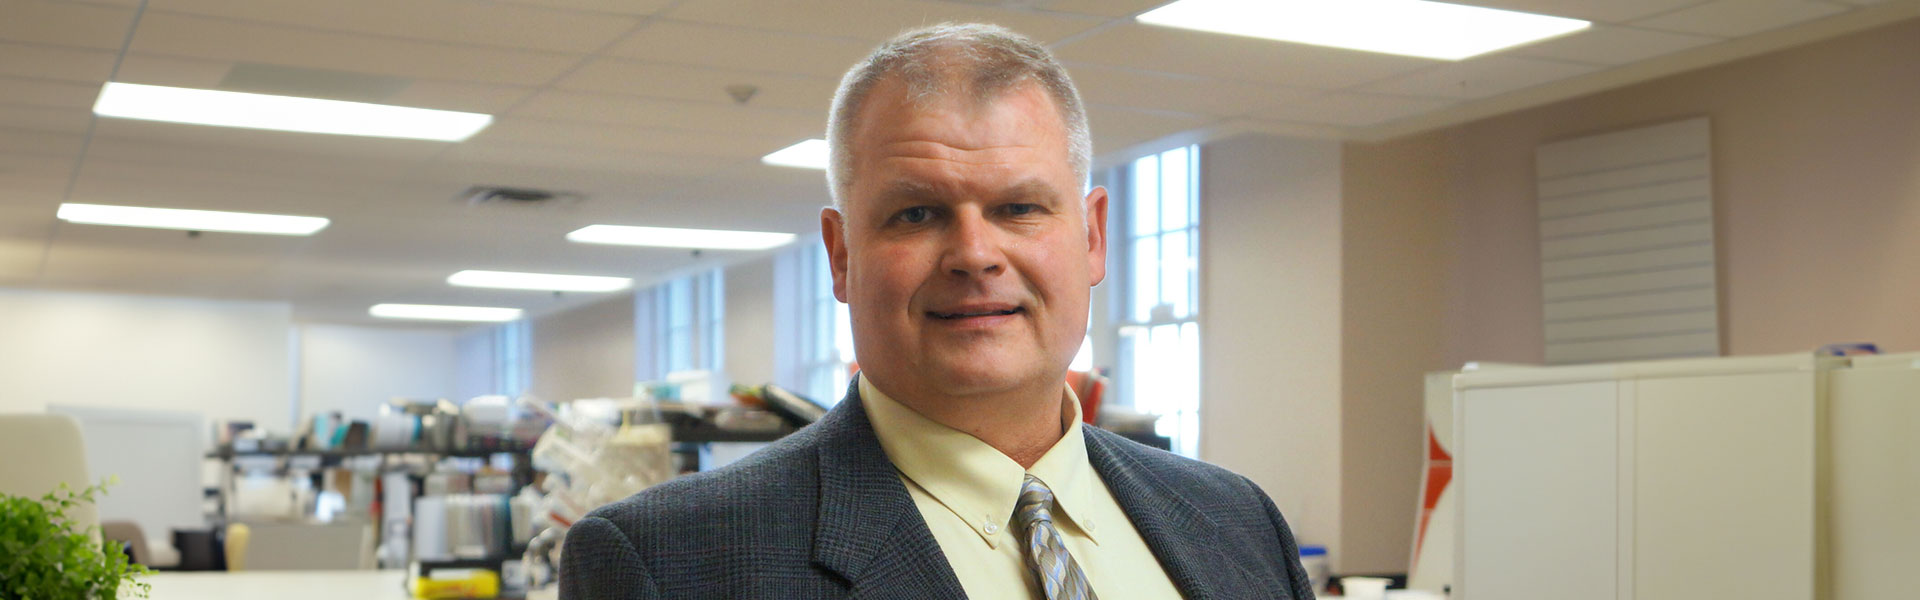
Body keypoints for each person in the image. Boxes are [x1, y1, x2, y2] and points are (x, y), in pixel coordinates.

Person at [560, 22, 1315, 600]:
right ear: (841, 255)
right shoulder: (669, 562)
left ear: (1091, 237)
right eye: (917, 214)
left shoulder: (1238, 522)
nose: (974, 254)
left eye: (1019, 207)